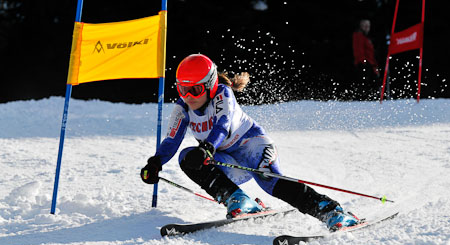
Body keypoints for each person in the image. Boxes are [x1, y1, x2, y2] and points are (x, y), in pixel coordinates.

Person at [141, 54, 359, 230]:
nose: (188, 96)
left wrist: (207, 147)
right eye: (182, 89)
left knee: (269, 181)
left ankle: (332, 211)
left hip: (253, 146)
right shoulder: (183, 108)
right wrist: (155, 163)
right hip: (225, 158)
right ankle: (238, 199)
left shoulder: (222, 94)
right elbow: (172, 140)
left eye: (195, 89)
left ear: (209, 84)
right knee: (187, 157)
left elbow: (222, 125)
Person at [352, 19, 380, 98]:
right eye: (365, 26)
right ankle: (364, 98)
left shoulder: (366, 37)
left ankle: (371, 97)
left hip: (370, 64)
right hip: (364, 64)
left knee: (373, 83)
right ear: (361, 26)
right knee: (365, 83)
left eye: (368, 26)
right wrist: (364, 62)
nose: (367, 28)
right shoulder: (358, 35)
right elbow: (358, 51)